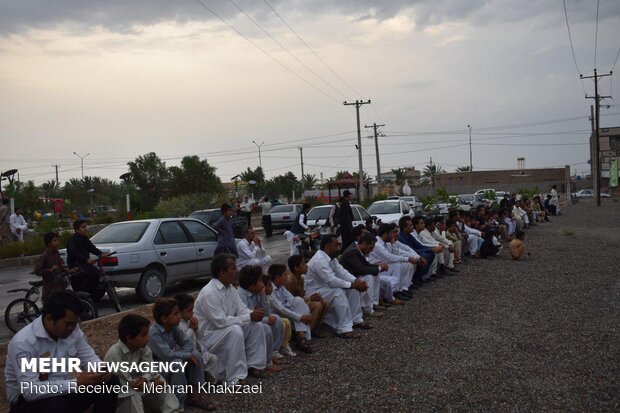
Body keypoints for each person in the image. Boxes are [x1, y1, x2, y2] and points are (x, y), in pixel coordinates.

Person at [5, 291, 119, 413]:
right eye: (68, 324)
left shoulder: (73, 331)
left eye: (75, 323)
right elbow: (30, 391)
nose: (73, 328)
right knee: (57, 405)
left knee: (110, 382)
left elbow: (89, 358)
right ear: (49, 319)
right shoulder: (24, 343)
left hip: (64, 392)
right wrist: (76, 383)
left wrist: (102, 371)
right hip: (28, 403)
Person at [193, 254, 270, 383]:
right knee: (235, 329)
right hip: (209, 338)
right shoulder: (209, 293)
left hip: (223, 332)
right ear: (222, 272)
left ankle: (254, 365)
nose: (237, 271)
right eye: (233, 268)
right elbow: (220, 322)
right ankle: (235, 378)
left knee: (256, 325)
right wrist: (248, 317)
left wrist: (253, 314)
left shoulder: (231, 289)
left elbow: (242, 309)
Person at [104, 314, 182, 413]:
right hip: (122, 395)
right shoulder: (114, 354)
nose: (147, 338)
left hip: (140, 385)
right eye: (143, 335)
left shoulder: (143, 348)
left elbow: (150, 369)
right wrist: (151, 385)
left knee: (160, 380)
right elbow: (130, 385)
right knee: (132, 395)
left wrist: (145, 378)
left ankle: (172, 411)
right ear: (129, 338)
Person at [148, 297, 214, 411]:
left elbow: (187, 343)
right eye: (176, 313)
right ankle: (179, 404)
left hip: (169, 360)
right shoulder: (154, 333)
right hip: (154, 367)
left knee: (196, 355)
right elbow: (166, 355)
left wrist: (188, 354)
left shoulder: (173, 327)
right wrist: (187, 355)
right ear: (164, 318)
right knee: (177, 363)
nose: (179, 316)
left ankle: (195, 396)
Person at [305, 234, 370, 339]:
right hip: (313, 291)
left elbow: (342, 272)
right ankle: (343, 329)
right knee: (338, 292)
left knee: (352, 290)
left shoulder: (331, 258)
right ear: (327, 246)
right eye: (336, 245)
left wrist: (356, 281)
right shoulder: (320, 260)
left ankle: (356, 319)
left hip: (325, 288)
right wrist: (353, 285)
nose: (339, 248)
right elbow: (331, 281)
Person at [237, 265, 284, 372]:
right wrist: (266, 320)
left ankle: (271, 352)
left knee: (276, 319)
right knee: (265, 327)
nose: (262, 284)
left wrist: (263, 296)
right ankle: (267, 363)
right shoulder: (242, 295)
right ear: (252, 285)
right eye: (259, 282)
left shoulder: (256, 292)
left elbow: (266, 313)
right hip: (245, 326)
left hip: (255, 322)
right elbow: (249, 318)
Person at [174, 293, 223, 381]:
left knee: (214, 359)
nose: (192, 313)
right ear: (180, 312)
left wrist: (196, 328)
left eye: (192, 310)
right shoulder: (178, 326)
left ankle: (213, 382)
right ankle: (207, 381)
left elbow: (200, 338)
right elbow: (183, 343)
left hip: (199, 351)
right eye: (189, 311)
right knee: (206, 363)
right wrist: (191, 329)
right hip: (188, 354)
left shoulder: (188, 321)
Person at [267, 264, 315, 353]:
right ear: (277, 278)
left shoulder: (281, 288)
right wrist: (300, 317)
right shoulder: (270, 290)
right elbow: (280, 309)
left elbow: (292, 300)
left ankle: (302, 337)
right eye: (285, 275)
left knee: (298, 300)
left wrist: (301, 315)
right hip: (278, 316)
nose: (287, 277)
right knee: (300, 307)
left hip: (288, 313)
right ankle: (303, 337)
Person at [339, 232, 389, 317]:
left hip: (354, 275)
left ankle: (373, 303)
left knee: (375, 273)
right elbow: (361, 269)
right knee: (369, 276)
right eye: (370, 248)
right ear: (364, 243)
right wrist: (379, 268)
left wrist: (378, 266)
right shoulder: (352, 251)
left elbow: (365, 264)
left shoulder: (357, 249)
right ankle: (367, 309)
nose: (371, 250)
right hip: (347, 279)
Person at [286, 255, 329, 338]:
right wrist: (310, 298)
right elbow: (291, 301)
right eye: (303, 264)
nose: (307, 265)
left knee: (325, 302)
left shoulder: (301, 279)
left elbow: (301, 296)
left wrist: (311, 298)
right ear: (296, 268)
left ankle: (315, 327)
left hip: (301, 302)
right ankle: (304, 334)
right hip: (294, 307)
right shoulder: (290, 281)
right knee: (317, 305)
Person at [66, 219, 107, 296]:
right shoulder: (73, 240)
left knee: (97, 274)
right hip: (76, 265)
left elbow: (91, 247)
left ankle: (92, 295)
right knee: (93, 273)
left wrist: (100, 254)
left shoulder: (84, 238)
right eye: (83, 227)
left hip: (85, 264)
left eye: (85, 226)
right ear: (76, 230)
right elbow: (75, 253)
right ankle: (84, 295)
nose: (85, 228)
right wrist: (86, 259)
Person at [34, 232, 66, 302]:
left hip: (59, 286)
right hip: (50, 289)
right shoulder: (45, 256)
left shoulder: (56, 253)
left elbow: (60, 268)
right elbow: (37, 270)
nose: (57, 242)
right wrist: (50, 270)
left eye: (57, 240)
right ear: (49, 244)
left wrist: (69, 270)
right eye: (55, 240)